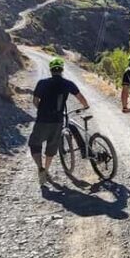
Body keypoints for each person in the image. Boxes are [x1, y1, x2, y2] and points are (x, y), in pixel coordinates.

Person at [29, 56, 89, 185]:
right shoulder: (68, 83)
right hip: (57, 121)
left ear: (51, 70)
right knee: (51, 147)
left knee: (34, 144)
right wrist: (85, 106)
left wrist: (42, 110)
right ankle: (46, 170)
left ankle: (40, 168)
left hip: (42, 120)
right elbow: (81, 98)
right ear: (62, 70)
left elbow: (35, 101)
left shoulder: (42, 83)